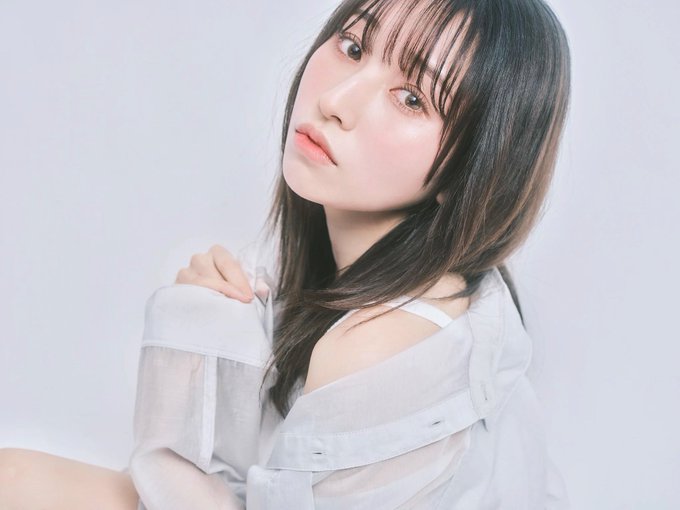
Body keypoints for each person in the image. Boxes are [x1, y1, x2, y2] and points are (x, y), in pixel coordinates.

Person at [0, 0, 571, 508]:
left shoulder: (379, 345)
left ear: (474, 168)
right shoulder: (447, 289)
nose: (336, 101)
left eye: (411, 98)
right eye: (353, 46)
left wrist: (199, 334)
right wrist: (226, 325)